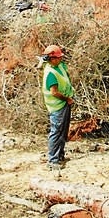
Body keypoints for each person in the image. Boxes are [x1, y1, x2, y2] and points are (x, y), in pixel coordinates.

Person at [41, 44, 74, 172]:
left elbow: (66, 72)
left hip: (64, 103)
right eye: (57, 58)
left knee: (63, 131)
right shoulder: (50, 73)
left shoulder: (59, 66)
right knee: (56, 132)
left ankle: (60, 156)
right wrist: (67, 98)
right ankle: (52, 160)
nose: (60, 59)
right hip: (57, 106)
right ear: (51, 59)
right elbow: (54, 92)